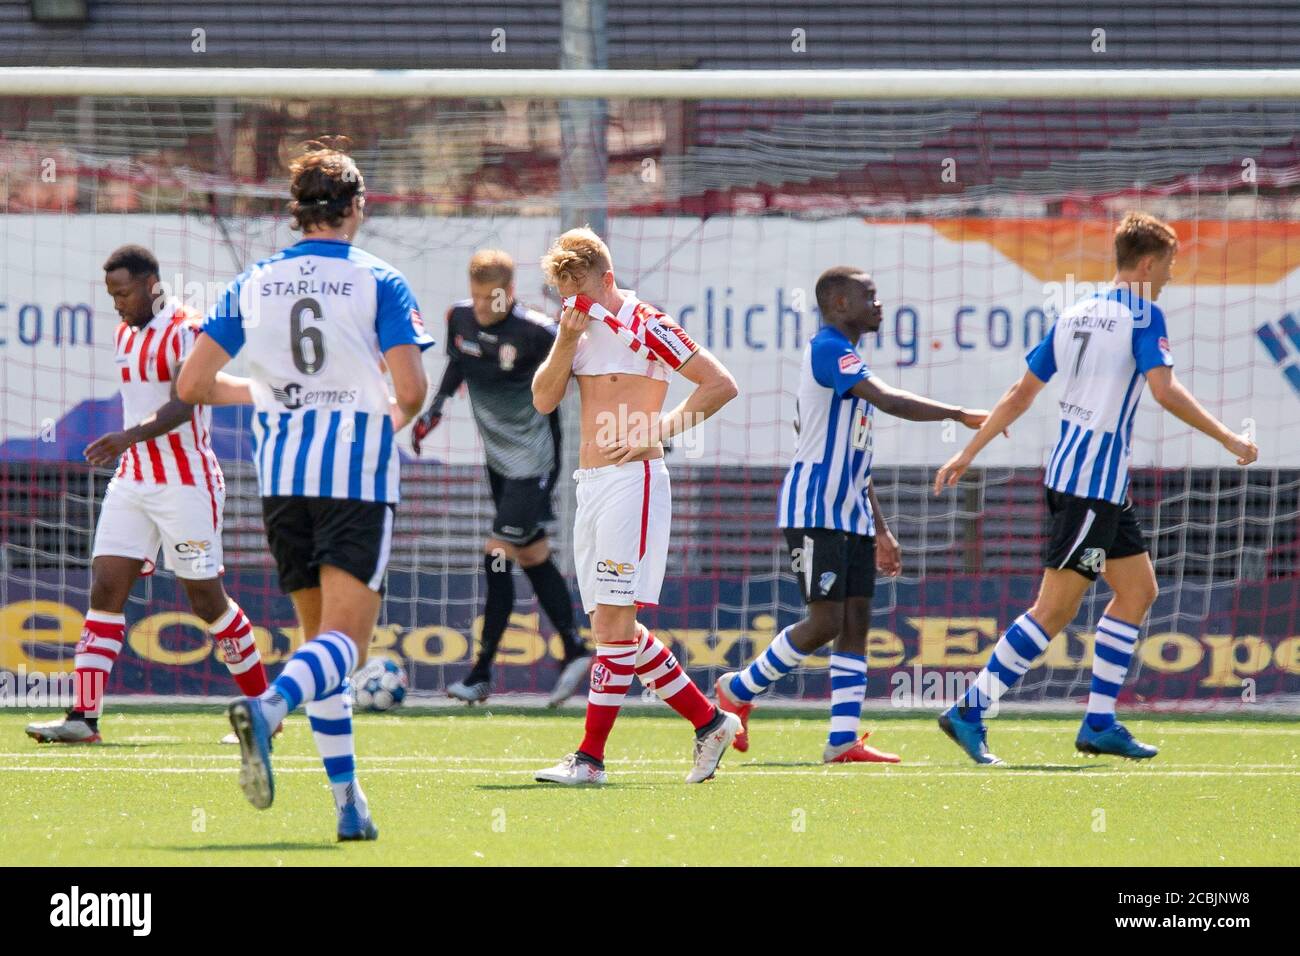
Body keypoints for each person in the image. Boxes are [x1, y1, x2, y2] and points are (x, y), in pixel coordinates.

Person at [933, 212, 1259, 764]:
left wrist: (969, 451)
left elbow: (1020, 391)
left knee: (1138, 592)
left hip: (1089, 483)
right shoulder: (1144, 315)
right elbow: (1165, 389)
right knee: (1053, 611)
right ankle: (971, 708)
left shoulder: (1077, 312)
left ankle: (1099, 722)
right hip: (1090, 488)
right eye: (1171, 266)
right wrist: (1228, 437)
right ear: (1149, 263)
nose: (1172, 277)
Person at [178, 138, 432, 838]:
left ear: (296, 212)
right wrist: (383, 416)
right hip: (353, 473)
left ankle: (349, 804)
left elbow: (193, 384)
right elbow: (410, 390)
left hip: (283, 477)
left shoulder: (253, 281)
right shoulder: (379, 277)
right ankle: (266, 707)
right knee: (346, 644)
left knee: (317, 642)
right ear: (356, 207)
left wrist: (264, 390)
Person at [715, 267, 988, 762]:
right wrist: (956, 413)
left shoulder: (849, 360)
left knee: (857, 620)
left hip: (852, 513)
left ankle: (841, 738)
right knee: (823, 622)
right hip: (815, 509)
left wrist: (880, 528)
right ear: (840, 303)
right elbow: (889, 399)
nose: (879, 305)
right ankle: (739, 687)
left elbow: (858, 459)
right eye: (870, 296)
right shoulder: (827, 350)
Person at [26, 244, 269, 745]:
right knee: (105, 587)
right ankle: (83, 718)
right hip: (133, 481)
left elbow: (188, 401)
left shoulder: (186, 329)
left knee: (207, 600)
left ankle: (266, 711)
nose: (117, 302)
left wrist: (126, 437)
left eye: (123, 292)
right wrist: (129, 447)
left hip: (186, 484)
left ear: (151, 284)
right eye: (111, 294)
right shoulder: (123, 334)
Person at [529, 227, 742, 786]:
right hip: (591, 484)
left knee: (615, 623)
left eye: (581, 291)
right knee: (610, 625)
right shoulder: (574, 329)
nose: (573, 303)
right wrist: (566, 339)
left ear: (608, 279)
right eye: (563, 294)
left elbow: (720, 384)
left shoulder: (645, 322)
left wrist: (663, 427)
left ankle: (590, 758)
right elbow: (543, 399)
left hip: (635, 482)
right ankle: (710, 721)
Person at [411, 250, 590, 706]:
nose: (482, 306)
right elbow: (458, 362)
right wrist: (434, 409)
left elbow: (578, 371)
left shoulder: (536, 333)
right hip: (497, 462)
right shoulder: (459, 318)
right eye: (475, 297)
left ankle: (481, 673)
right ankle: (573, 650)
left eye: (490, 298)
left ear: (509, 293)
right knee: (531, 553)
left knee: (496, 555)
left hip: (533, 464)